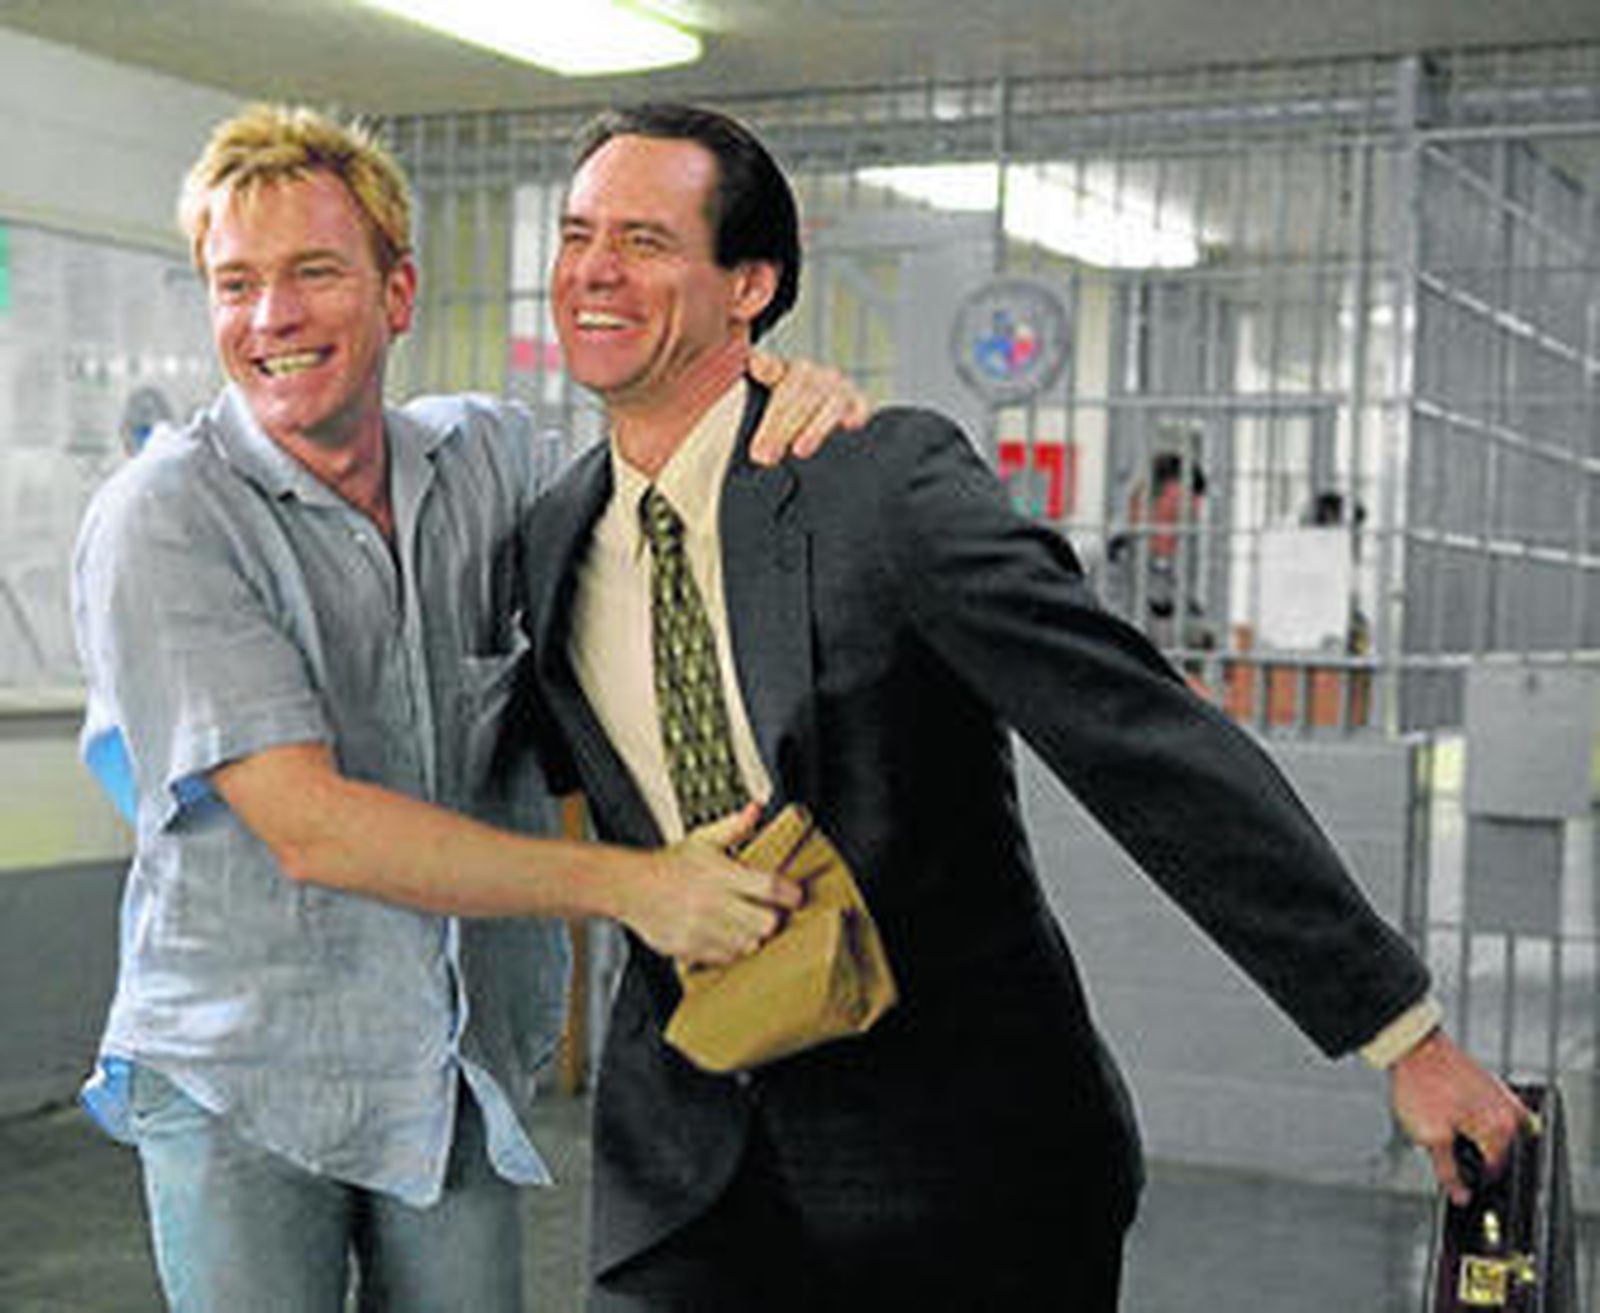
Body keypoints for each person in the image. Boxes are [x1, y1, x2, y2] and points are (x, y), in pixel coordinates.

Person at [517, 101, 1528, 1311]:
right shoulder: (552, 536)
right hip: (691, 1169)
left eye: (643, 240)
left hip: (958, 1166)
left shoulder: (877, 486)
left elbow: (1137, 736)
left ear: (751, 285)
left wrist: (1400, 1030)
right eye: (577, 234)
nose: (594, 270)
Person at [70, 102, 864, 1313]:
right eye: (235, 284)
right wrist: (639, 886)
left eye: (313, 272)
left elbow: (662, 484)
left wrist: (773, 391)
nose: (271, 317)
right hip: (245, 1068)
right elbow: (311, 826)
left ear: (398, 294)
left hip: (444, 1060)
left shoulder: (487, 460)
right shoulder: (166, 515)